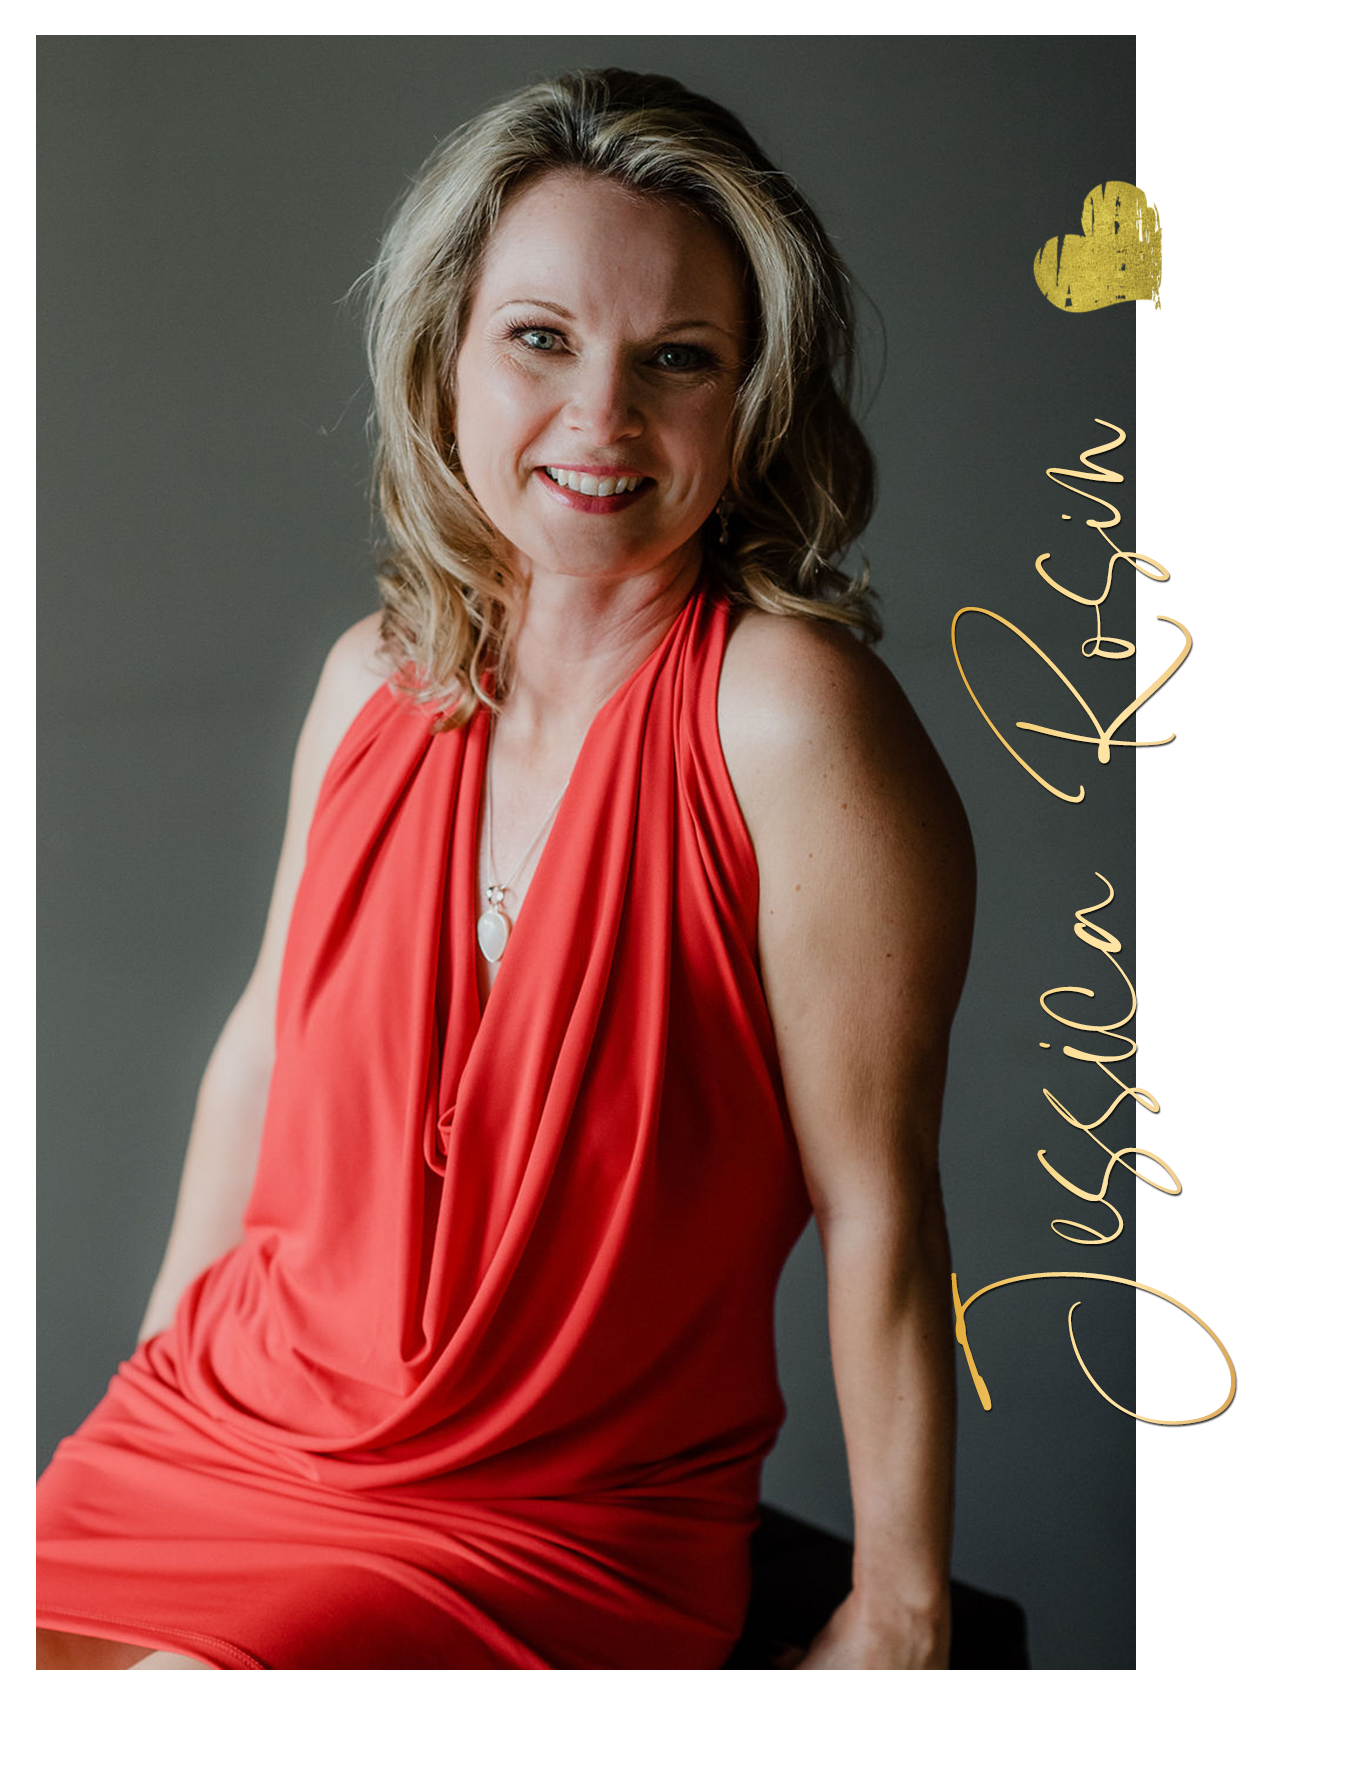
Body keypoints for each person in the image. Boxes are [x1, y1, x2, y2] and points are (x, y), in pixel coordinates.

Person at [36, 67, 974, 1671]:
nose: (602, 418)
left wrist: (900, 1613)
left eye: (678, 359)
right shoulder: (371, 681)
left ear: (752, 402)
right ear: (446, 357)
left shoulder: (788, 718)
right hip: (214, 1435)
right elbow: (262, 1051)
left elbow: (879, 1192)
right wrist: (149, 1387)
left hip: (542, 1520)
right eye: (541, 338)